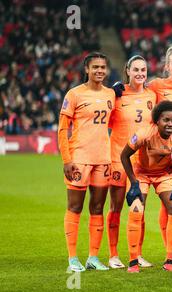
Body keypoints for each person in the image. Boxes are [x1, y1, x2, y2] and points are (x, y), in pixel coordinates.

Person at [116, 45, 172, 267]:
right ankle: (151, 256)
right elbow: (137, 87)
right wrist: (117, 87)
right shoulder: (157, 85)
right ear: (167, 66)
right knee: (166, 205)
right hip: (158, 152)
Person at [59, 52, 115, 272]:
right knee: (75, 206)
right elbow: (63, 129)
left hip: (103, 158)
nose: (99, 71)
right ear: (86, 70)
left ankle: (93, 257)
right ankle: (73, 258)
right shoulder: (74, 95)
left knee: (98, 207)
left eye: (103, 67)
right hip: (79, 158)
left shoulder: (111, 94)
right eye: (95, 67)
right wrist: (66, 159)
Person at [120, 100, 172, 273]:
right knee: (136, 210)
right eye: (166, 120)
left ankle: (170, 259)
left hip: (163, 175)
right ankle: (133, 261)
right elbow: (124, 156)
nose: (170, 124)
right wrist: (133, 182)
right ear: (157, 121)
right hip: (140, 174)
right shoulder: (144, 134)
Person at [107, 55, 156, 269]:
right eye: (135, 69)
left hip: (141, 162)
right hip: (119, 158)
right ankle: (113, 254)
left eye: (143, 70)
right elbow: (103, 122)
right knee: (116, 207)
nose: (140, 73)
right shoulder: (117, 95)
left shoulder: (153, 96)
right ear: (127, 70)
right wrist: (112, 89)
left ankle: (137, 253)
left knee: (140, 208)